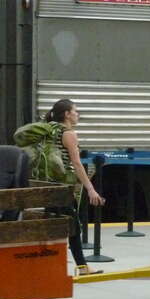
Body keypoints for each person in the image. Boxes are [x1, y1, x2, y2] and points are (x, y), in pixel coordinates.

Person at [45, 99, 106, 275]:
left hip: (48, 184)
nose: (77, 114)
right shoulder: (68, 133)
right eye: (75, 111)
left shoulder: (50, 129)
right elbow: (77, 164)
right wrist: (90, 188)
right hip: (62, 186)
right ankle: (82, 267)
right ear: (67, 114)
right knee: (74, 227)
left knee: (54, 226)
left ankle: (51, 264)